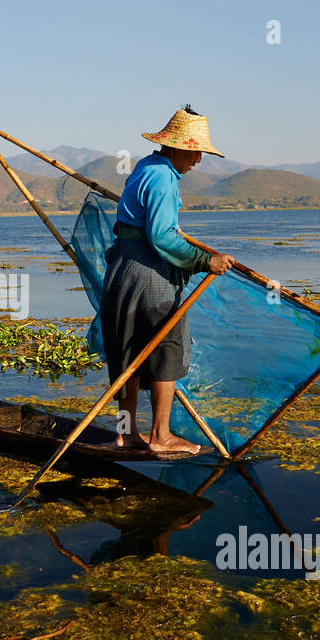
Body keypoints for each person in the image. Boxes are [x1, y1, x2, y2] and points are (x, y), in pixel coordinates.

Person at [100, 105, 234, 453]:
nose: (199, 160)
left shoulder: (146, 166)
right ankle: (161, 436)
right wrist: (207, 260)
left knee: (128, 353)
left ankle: (126, 434)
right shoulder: (162, 177)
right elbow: (161, 236)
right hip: (149, 276)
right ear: (177, 147)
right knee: (166, 350)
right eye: (195, 152)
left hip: (124, 272)